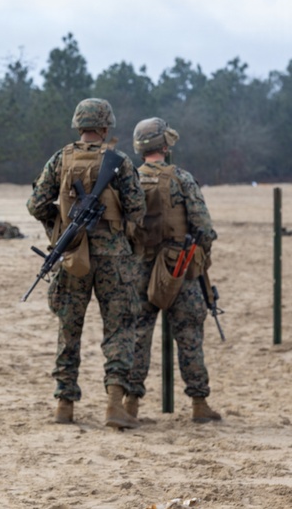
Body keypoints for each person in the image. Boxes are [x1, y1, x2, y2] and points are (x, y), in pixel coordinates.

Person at [26, 98, 145, 429]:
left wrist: (60, 227)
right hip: (114, 257)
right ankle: (114, 403)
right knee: (119, 328)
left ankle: (64, 404)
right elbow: (137, 209)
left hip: (72, 254)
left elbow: (35, 203)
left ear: (79, 126)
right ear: (106, 128)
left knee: (69, 327)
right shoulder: (119, 162)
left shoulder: (61, 159)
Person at [125, 117, 221, 423]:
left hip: (139, 267)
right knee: (190, 335)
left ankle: (130, 404)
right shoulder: (182, 178)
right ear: (164, 146)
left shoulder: (129, 180)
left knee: (137, 336)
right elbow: (203, 227)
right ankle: (199, 404)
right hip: (179, 268)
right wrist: (202, 256)